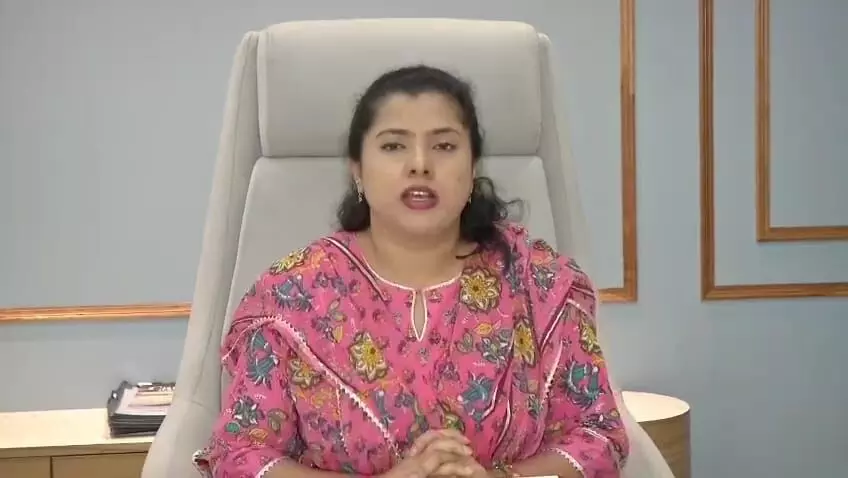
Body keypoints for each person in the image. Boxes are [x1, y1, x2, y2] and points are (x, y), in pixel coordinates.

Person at [192, 65, 629, 478]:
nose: (420, 164)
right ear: (357, 170)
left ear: (473, 168)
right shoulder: (290, 296)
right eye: (393, 146)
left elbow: (599, 437)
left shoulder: (540, 282)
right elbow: (241, 457)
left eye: (444, 146)